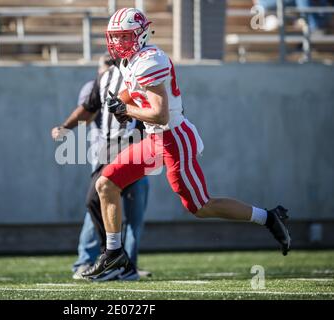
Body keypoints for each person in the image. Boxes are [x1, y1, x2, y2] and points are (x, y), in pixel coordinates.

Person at [82, 8, 291, 281]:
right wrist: (120, 101)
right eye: (115, 37)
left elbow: (160, 114)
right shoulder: (131, 60)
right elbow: (132, 90)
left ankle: (268, 217)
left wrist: (126, 109)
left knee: (200, 206)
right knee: (106, 183)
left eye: (125, 37)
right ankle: (114, 253)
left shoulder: (150, 60)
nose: (119, 43)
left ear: (142, 35)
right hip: (155, 139)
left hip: (174, 139)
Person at [51, 55, 149, 281]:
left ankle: (119, 262)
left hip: (134, 144)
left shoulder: (141, 73)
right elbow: (88, 108)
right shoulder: (104, 79)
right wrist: (65, 127)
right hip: (109, 148)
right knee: (96, 200)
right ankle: (117, 261)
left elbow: (159, 108)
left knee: (124, 210)